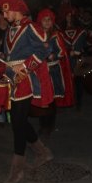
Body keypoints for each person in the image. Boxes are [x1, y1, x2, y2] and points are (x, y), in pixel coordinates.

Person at [0, 0, 54, 183]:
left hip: (26, 80)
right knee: (19, 121)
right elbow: (9, 59)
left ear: (16, 9)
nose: (3, 15)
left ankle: (17, 169)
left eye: (6, 10)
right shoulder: (10, 30)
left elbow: (45, 48)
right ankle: (43, 151)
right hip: (13, 80)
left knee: (17, 124)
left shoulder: (30, 27)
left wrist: (26, 67)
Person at [37, 8, 74, 138]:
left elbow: (63, 51)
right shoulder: (36, 35)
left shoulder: (56, 35)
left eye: (49, 20)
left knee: (51, 100)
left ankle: (49, 125)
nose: (47, 22)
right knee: (42, 99)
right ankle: (43, 124)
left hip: (53, 71)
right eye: (44, 20)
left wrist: (54, 55)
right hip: (40, 71)